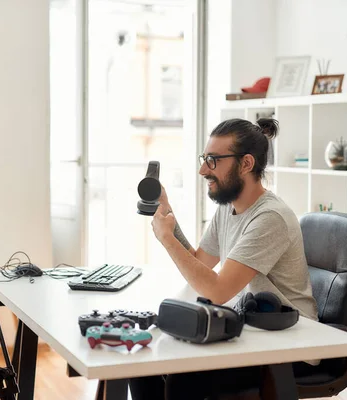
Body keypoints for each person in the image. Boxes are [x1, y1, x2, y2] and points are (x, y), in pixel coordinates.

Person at [128, 117, 319, 400]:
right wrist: (168, 215)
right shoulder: (229, 209)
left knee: (184, 371)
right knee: (142, 359)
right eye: (205, 158)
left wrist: (167, 239)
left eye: (214, 160)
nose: (203, 169)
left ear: (246, 164)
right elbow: (200, 265)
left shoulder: (269, 217)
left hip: (288, 342)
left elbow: (216, 291)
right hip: (252, 329)